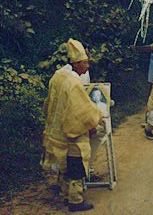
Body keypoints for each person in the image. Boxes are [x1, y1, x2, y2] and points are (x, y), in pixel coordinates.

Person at [42, 38, 102, 212]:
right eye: (86, 63)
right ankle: (75, 200)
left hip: (56, 129)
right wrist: (94, 121)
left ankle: (64, 192)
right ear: (77, 63)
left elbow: (49, 103)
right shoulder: (74, 82)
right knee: (76, 163)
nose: (88, 67)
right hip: (70, 132)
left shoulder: (58, 75)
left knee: (64, 164)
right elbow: (82, 111)